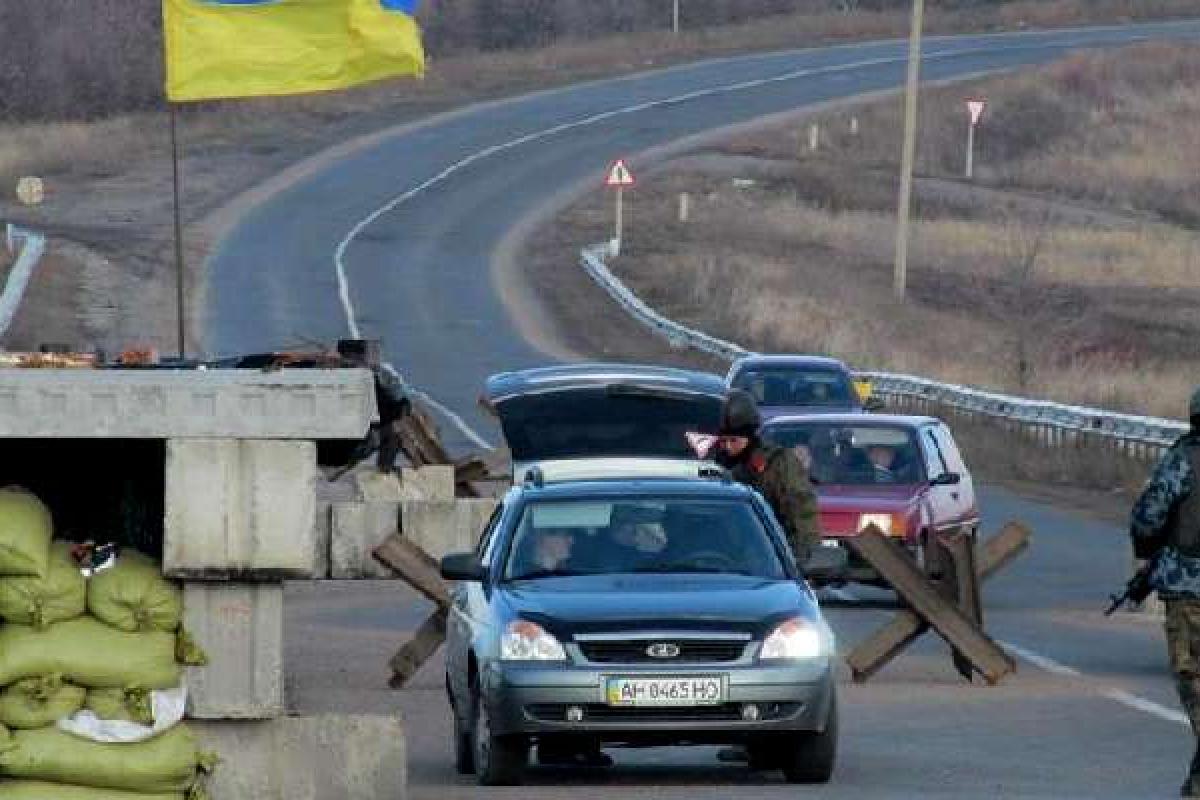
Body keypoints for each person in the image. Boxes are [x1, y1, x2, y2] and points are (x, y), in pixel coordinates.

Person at [1130, 387, 1200, 798]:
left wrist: (1152, 550)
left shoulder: (1184, 459)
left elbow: (1148, 517)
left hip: (1189, 588)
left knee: (1191, 677)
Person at [713, 389, 821, 564]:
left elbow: (802, 513)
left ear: (750, 437)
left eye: (734, 441)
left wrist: (804, 558)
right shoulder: (711, 467)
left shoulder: (778, 464)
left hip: (768, 559)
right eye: (723, 441)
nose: (727, 447)